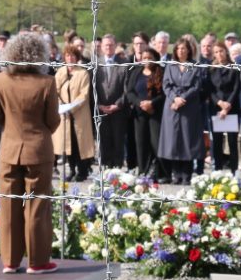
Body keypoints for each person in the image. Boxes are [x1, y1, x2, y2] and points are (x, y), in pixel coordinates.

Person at [0, 32, 61, 275]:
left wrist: (12, 129)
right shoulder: (47, 82)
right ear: (39, 54)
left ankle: (10, 261)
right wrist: (37, 132)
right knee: (37, 206)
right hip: (38, 150)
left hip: (9, 149)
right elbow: (53, 120)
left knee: (8, 206)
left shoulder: (0, 80)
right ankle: (38, 262)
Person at [157, 37, 205, 184]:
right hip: (172, 107)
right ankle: (176, 174)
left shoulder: (194, 65)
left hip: (189, 107)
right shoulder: (170, 66)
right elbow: (166, 85)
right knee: (173, 141)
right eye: (178, 48)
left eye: (184, 48)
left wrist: (182, 98)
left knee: (187, 140)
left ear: (189, 50)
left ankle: (186, 174)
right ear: (175, 51)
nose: (181, 51)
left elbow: (196, 86)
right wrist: (174, 99)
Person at [53, 44, 94, 182]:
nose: (70, 58)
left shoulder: (83, 73)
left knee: (79, 144)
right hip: (64, 115)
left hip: (78, 114)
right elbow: (55, 91)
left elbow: (84, 94)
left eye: (72, 56)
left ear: (77, 58)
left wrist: (72, 108)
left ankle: (82, 171)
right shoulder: (60, 72)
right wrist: (61, 106)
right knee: (67, 144)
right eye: (67, 56)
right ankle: (71, 169)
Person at [126, 47, 166, 179]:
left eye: (150, 58)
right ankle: (143, 171)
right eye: (144, 58)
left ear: (155, 59)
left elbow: (164, 93)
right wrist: (140, 103)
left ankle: (160, 171)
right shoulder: (136, 72)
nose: (147, 60)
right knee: (141, 142)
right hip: (140, 113)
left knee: (156, 142)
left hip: (156, 112)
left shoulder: (161, 72)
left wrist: (151, 103)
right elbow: (130, 92)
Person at [95, 34, 128, 168]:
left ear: (115, 46)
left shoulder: (123, 64)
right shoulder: (96, 64)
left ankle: (118, 169)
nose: (108, 47)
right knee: (104, 141)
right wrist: (99, 105)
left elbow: (127, 88)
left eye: (111, 45)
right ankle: (105, 168)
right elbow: (92, 88)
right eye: (106, 45)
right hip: (101, 110)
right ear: (101, 47)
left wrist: (118, 104)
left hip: (118, 111)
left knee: (118, 141)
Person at [208, 41, 240, 172]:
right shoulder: (211, 69)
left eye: (221, 51)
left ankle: (234, 170)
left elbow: (236, 88)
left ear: (226, 51)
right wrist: (219, 103)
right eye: (216, 52)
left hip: (231, 108)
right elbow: (210, 89)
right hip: (216, 108)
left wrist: (227, 106)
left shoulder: (234, 68)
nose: (219, 54)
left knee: (232, 142)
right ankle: (218, 171)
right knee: (217, 141)